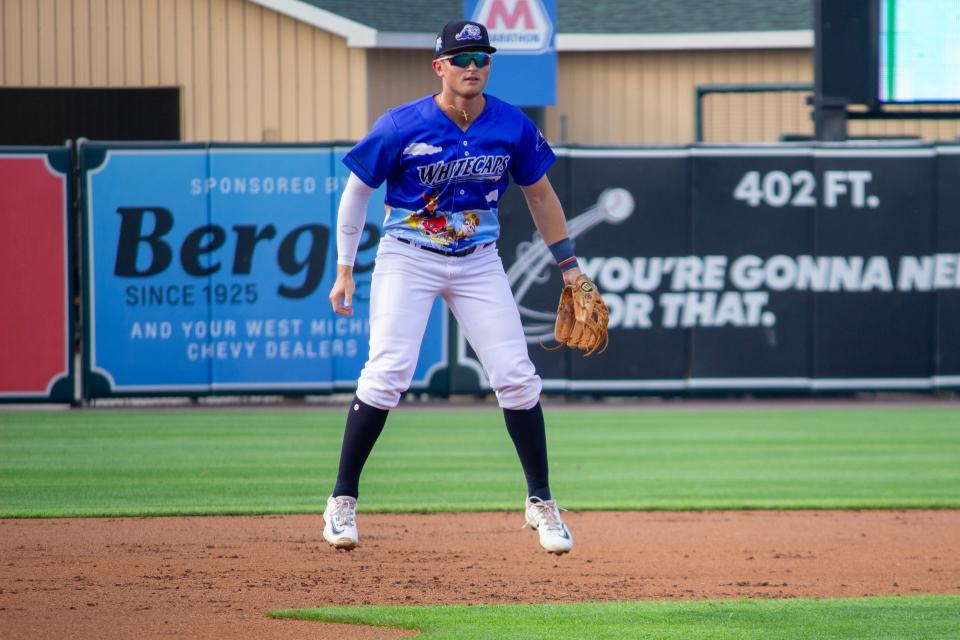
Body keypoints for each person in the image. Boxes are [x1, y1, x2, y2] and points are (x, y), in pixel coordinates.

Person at [323, 19, 588, 555]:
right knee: (388, 372)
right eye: (461, 58)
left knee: (516, 377)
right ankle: (341, 501)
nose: (472, 67)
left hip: (477, 260)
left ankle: (541, 503)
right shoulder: (402, 124)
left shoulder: (511, 125)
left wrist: (569, 266)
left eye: (481, 58)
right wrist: (345, 267)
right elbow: (356, 192)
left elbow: (541, 196)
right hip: (408, 255)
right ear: (439, 66)